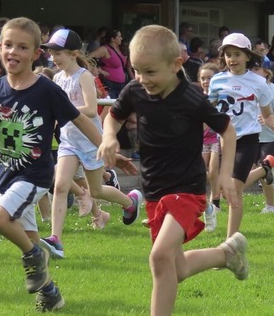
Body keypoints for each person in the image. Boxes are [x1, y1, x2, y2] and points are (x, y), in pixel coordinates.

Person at [97, 24, 247, 316]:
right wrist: (109, 137)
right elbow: (113, 118)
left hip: (186, 189)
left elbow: (228, 132)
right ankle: (226, 254)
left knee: (160, 256)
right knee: (175, 269)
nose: (142, 79)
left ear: (176, 64)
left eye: (150, 72)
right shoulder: (135, 90)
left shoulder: (192, 99)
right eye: (137, 71)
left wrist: (226, 175)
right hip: (154, 190)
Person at [0, 17, 105, 311]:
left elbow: (81, 118)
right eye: (7, 45)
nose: (12, 52)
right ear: (0, 47)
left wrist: (106, 147)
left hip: (34, 176)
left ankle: (34, 255)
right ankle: (51, 293)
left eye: (22, 47)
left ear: (35, 54)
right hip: (8, 177)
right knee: (30, 238)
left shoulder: (45, 89)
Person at [38, 28, 141, 259]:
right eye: (52, 53)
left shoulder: (83, 75)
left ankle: (129, 202)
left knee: (95, 190)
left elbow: (92, 108)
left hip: (90, 140)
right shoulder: (57, 77)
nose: (53, 58)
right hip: (68, 141)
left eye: (58, 53)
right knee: (60, 185)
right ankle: (56, 239)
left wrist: (61, 112)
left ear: (74, 53)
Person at [208, 33, 274, 237]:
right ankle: (264, 170)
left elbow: (267, 115)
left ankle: (230, 242)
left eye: (237, 54)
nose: (232, 59)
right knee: (219, 184)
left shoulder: (259, 82)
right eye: (228, 54)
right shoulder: (217, 80)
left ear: (247, 56)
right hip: (222, 139)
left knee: (234, 191)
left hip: (247, 139)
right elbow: (208, 109)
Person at [249, 58, 274, 214]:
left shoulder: (273, 91)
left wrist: (268, 119)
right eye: (250, 69)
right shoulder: (246, 90)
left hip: (269, 138)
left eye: (256, 69)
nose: (252, 72)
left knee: (265, 171)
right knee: (253, 170)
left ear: (266, 72)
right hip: (250, 137)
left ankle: (271, 206)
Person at [198, 62, 221, 230]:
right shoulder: (198, 98)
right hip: (202, 140)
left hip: (217, 139)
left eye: (209, 78)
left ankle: (215, 201)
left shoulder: (220, 97)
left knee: (213, 172)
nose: (206, 81)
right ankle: (205, 202)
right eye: (203, 78)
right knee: (200, 171)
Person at [88, 29, 130, 99]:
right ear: (113, 39)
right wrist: (99, 70)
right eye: (119, 37)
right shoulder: (104, 49)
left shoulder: (119, 48)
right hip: (110, 83)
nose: (121, 38)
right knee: (110, 105)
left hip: (121, 84)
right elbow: (89, 58)